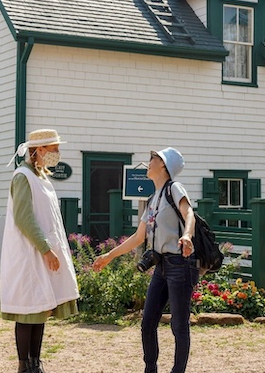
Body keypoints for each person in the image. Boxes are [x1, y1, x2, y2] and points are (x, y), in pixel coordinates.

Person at [93, 147, 197, 373]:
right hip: (161, 267)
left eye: (154, 158)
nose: (148, 162)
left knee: (179, 325)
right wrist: (109, 256)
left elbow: (189, 213)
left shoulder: (174, 188)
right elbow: (138, 237)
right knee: (147, 323)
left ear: (164, 165)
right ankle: (150, 369)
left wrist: (187, 235)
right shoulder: (153, 199)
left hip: (180, 265)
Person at [0, 129, 79, 373]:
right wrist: (45, 248)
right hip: (28, 253)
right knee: (27, 311)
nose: (58, 154)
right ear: (40, 150)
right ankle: (24, 365)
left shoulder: (42, 177)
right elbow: (24, 218)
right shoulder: (22, 176)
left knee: (41, 309)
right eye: (54, 150)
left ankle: (36, 363)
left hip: (41, 252)